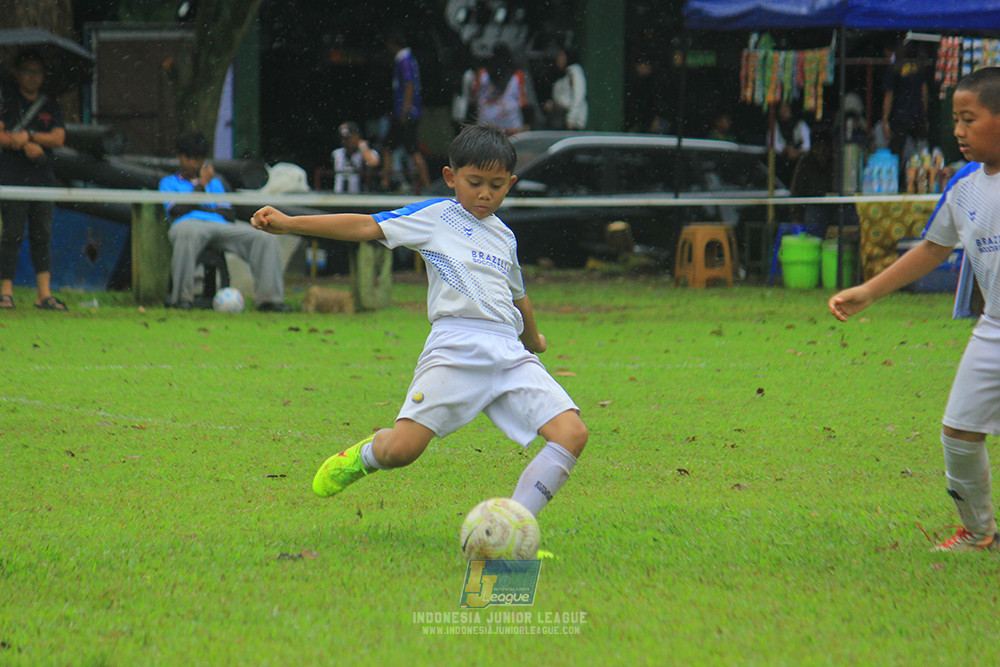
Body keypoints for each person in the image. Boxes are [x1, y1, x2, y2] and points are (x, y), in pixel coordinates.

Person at [250, 123, 587, 518]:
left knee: (571, 433)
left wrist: (532, 339)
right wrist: (290, 223)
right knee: (402, 450)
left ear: (510, 184)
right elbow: (366, 225)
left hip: (509, 352)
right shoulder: (436, 216)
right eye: (475, 182)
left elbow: (518, 296)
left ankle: (513, 526)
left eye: (496, 185)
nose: (485, 193)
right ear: (450, 177)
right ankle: (363, 456)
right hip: (456, 346)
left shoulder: (504, 237)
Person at [829, 66, 1000, 552]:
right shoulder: (964, 184)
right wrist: (869, 291)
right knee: (959, 434)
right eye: (956, 119)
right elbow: (932, 248)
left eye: (969, 119)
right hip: (993, 330)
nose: (958, 130)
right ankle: (979, 532)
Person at [159, 131, 290, 312]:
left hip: (221, 225)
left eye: (198, 158)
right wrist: (201, 186)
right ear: (179, 156)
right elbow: (176, 211)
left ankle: (270, 300)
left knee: (264, 238)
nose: (194, 163)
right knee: (185, 233)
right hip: (189, 225)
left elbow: (228, 213)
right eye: (189, 157)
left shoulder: (215, 182)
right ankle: (181, 299)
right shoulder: (169, 182)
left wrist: (196, 205)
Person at [0, 50, 67, 311]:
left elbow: (58, 138)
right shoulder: (7, 100)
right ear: (17, 73)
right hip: (12, 176)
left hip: (42, 177)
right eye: (27, 71)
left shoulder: (50, 104)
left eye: (37, 72)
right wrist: (17, 143)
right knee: (12, 233)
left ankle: (43, 293)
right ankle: (6, 292)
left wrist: (30, 137)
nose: (32, 77)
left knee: (42, 234)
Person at [381, 29, 430, 194]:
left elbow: (409, 84)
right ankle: (426, 184)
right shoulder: (409, 59)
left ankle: (386, 182)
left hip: (407, 112)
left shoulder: (404, 60)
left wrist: (404, 110)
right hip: (410, 111)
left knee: (393, 146)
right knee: (407, 147)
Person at [882, 40, 930, 175]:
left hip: (900, 116)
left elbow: (889, 95)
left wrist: (885, 120)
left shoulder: (894, 68)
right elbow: (924, 92)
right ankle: (920, 180)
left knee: (896, 154)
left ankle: (897, 181)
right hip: (917, 115)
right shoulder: (919, 67)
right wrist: (924, 116)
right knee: (921, 154)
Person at [472, 43, 535, 135]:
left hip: (486, 126)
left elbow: (474, 95)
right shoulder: (517, 75)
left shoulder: (482, 74)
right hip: (511, 126)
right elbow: (523, 101)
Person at [542, 47, 587, 131]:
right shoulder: (562, 74)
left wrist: (571, 120)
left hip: (571, 123)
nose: (558, 59)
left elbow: (578, 97)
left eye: (561, 56)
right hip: (560, 119)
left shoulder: (575, 71)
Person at [769, 101, 811, 187]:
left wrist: (797, 152)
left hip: (799, 161)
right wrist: (787, 149)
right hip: (781, 162)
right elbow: (773, 144)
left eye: (786, 107)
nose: (784, 111)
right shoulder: (775, 125)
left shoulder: (800, 124)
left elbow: (807, 144)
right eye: (781, 108)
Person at [331, 121, 380, 194]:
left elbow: (373, 163)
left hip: (359, 196)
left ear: (357, 136)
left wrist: (363, 147)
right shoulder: (336, 153)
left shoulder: (367, 152)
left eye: (349, 138)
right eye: (343, 138)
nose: (345, 141)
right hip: (339, 195)